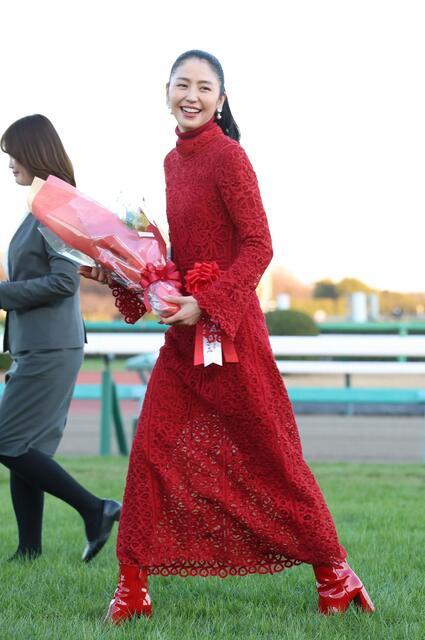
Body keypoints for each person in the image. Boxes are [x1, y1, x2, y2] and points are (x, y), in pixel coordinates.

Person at [101, 50, 374, 621]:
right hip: (185, 338)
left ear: (221, 100)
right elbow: (181, 256)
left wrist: (208, 303)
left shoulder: (229, 157)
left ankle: (335, 574)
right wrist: (128, 274)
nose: (192, 96)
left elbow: (258, 246)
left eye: (205, 87)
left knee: (272, 457)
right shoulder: (172, 162)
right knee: (150, 449)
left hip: (231, 334)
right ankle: (132, 588)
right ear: (166, 92)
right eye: (182, 85)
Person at [0, 114, 121, 562]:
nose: (9, 163)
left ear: (33, 152)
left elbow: (64, 282)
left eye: (13, 154)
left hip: (50, 347)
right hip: (38, 345)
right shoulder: (43, 206)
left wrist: (1, 294)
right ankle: (29, 551)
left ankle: (95, 509)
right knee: (24, 446)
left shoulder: (55, 210)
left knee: (7, 442)